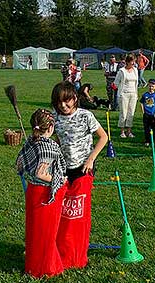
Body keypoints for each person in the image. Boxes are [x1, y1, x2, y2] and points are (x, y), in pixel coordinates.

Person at [51, 81, 108, 270]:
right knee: (63, 211)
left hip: (84, 169)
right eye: (59, 103)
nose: (63, 106)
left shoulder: (86, 116)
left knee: (78, 212)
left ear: (75, 98)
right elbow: (57, 140)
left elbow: (104, 137)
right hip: (63, 169)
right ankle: (61, 248)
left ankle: (76, 252)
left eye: (67, 102)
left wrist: (90, 159)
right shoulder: (55, 118)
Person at [16, 108, 67, 278]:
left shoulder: (31, 141)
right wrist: (60, 180)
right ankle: (45, 268)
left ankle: (34, 266)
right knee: (46, 234)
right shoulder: (48, 148)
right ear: (51, 128)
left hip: (33, 192)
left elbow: (20, 164)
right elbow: (40, 173)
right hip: (45, 195)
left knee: (35, 232)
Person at [114, 53, 139, 138]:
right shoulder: (122, 71)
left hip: (133, 94)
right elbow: (116, 83)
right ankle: (122, 131)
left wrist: (136, 94)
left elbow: (136, 83)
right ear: (127, 62)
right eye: (132, 61)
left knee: (131, 113)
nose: (133, 63)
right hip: (123, 94)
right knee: (123, 113)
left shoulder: (135, 70)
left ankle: (129, 131)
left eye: (134, 61)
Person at [140, 78, 155, 146]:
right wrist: (143, 112)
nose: (151, 87)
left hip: (152, 114)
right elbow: (141, 103)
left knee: (152, 128)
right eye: (149, 86)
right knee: (146, 128)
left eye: (152, 86)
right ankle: (147, 140)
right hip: (146, 114)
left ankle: (152, 140)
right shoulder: (145, 95)